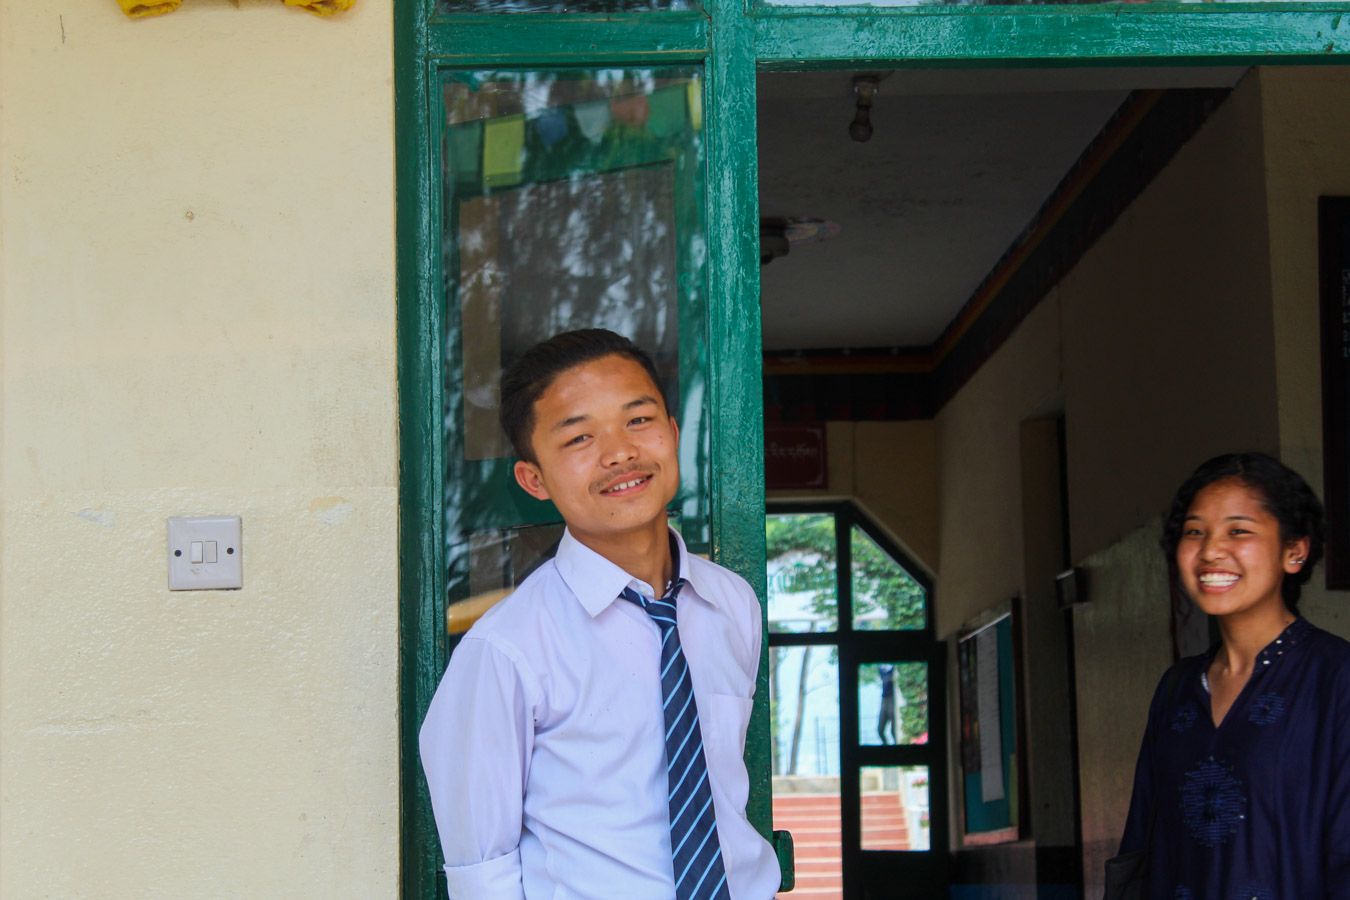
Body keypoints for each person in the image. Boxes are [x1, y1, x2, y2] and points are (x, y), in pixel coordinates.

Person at [419, 329, 780, 900]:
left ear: (673, 433)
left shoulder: (733, 604)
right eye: (580, 437)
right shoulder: (507, 648)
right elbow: (483, 872)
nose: (620, 453)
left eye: (638, 420)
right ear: (534, 479)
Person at [1118, 452, 1350, 898]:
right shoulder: (1176, 690)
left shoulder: (1335, 679)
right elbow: (1143, 849)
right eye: (1194, 532)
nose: (1210, 551)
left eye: (1238, 531)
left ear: (1294, 551)